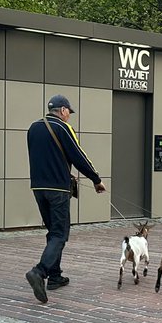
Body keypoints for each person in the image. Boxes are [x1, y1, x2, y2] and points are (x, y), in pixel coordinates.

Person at [24, 94, 106, 303]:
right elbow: (78, 155)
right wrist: (96, 179)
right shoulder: (62, 128)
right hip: (58, 189)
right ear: (62, 110)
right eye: (69, 112)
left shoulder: (33, 128)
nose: (69, 116)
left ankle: (55, 276)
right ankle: (40, 272)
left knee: (53, 232)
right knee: (60, 234)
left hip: (38, 187)